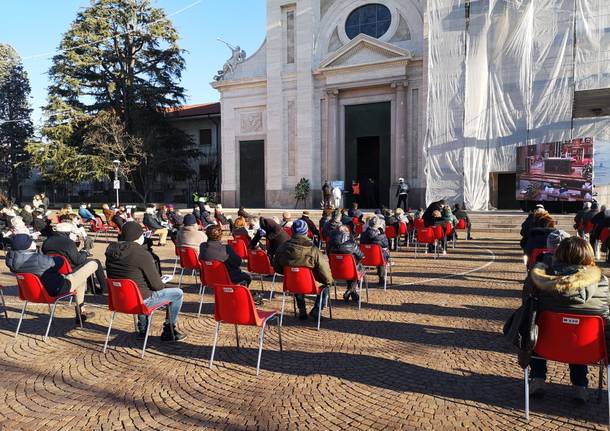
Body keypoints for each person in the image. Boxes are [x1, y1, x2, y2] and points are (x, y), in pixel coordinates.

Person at [524, 237, 609, 403]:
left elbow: (527, 308)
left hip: (545, 345)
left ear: (558, 254)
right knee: (580, 329)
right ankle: (580, 386)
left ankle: (537, 379)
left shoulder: (539, 281)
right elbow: (606, 316)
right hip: (588, 347)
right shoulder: (602, 283)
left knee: (535, 325)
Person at [105, 222, 186, 341]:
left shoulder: (110, 252)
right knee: (177, 293)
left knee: (140, 286)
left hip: (119, 300)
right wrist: (162, 282)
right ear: (139, 236)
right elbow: (157, 286)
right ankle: (169, 329)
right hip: (141, 301)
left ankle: (143, 328)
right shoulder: (142, 254)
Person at [6, 233, 97, 323]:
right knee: (93, 263)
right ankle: (81, 311)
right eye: (31, 241)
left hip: (32, 293)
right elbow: (59, 262)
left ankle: (81, 312)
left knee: (80, 278)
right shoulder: (37, 260)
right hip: (56, 289)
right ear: (27, 246)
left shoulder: (12, 262)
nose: (33, 242)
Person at [273, 220, 333, 320]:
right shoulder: (313, 250)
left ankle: (302, 309)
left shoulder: (282, 247)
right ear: (306, 232)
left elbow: (277, 266)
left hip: (291, 283)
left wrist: (289, 272)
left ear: (292, 232)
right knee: (325, 286)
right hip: (310, 284)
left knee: (297, 280)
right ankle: (317, 310)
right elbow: (324, 269)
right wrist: (329, 281)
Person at [42, 221, 107, 293]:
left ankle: (91, 288)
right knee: (95, 261)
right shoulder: (68, 242)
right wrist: (85, 250)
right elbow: (78, 261)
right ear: (67, 233)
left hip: (53, 268)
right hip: (69, 268)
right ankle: (104, 288)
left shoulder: (47, 241)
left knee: (88, 261)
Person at [327, 225, 364, 303]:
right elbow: (361, 256)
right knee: (357, 269)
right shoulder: (352, 244)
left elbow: (328, 256)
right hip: (350, 271)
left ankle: (353, 294)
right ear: (347, 233)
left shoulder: (330, 244)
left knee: (351, 268)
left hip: (335, 271)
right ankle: (350, 290)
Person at [360, 217, 390, 286]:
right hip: (377, 259)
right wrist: (382, 234)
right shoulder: (379, 236)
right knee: (381, 255)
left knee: (379, 253)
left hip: (365, 259)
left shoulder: (363, 234)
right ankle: (381, 278)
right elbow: (385, 244)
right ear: (378, 224)